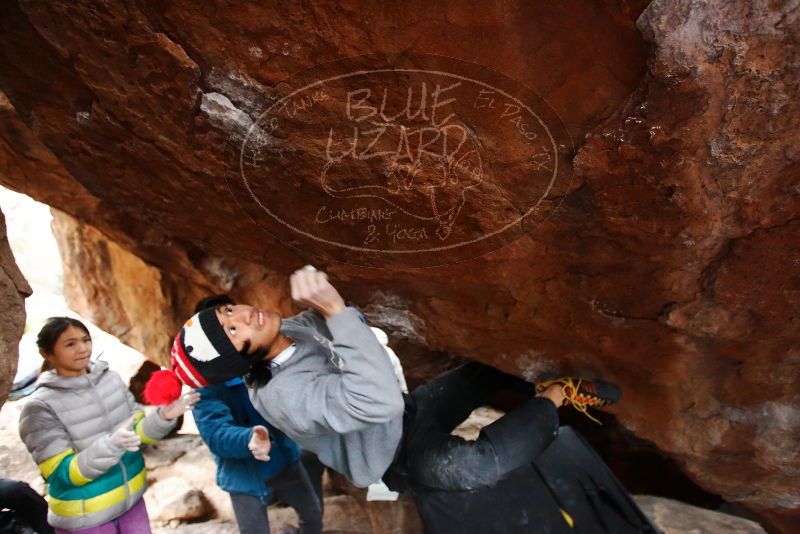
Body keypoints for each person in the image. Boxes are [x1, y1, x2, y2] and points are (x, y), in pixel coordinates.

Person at [148, 268, 622, 531]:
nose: (243, 316)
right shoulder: (282, 395)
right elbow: (376, 403)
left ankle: (535, 380)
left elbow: (362, 361)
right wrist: (335, 310)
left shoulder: (288, 330)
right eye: (233, 331)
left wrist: (336, 317)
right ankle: (558, 395)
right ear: (241, 361)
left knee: (478, 374)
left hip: (403, 414)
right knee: (474, 467)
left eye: (229, 311)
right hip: (393, 455)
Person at [19, 317, 198, 533]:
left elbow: (137, 434)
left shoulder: (111, 380)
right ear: (46, 353)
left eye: (86, 340)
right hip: (86, 519)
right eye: (70, 344)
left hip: (132, 502)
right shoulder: (39, 408)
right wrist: (110, 446)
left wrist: (162, 417)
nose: (83, 348)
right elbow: (61, 473)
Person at [189, 295, 323, 534]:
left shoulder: (260, 360)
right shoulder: (207, 385)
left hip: (283, 460)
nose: (240, 320)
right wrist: (248, 438)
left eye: (229, 311)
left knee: (312, 517)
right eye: (227, 329)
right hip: (243, 478)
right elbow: (215, 434)